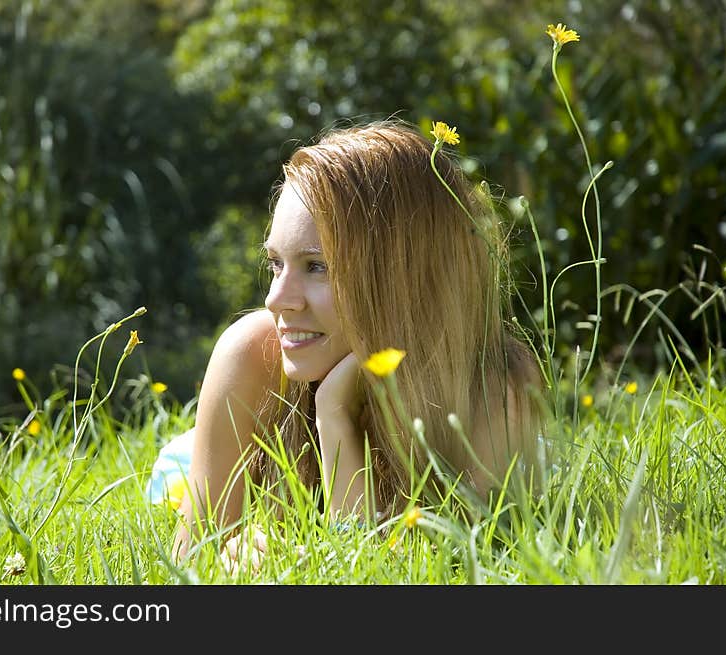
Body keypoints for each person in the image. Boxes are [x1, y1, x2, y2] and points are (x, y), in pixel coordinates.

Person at [149, 119, 545, 563]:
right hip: (192, 461)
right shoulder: (254, 354)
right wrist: (236, 562)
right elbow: (185, 566)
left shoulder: (495, 385)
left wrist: (334, 417)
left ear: (403, 276)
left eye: (316, 266)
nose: (276, 299)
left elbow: (448, 569)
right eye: (276, 264)